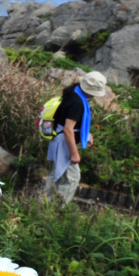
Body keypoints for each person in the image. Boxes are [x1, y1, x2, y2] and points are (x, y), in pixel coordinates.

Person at [43, 71, 108, 204]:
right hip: (64, 144)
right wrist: (74, 153)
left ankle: (43, 206)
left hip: (58, 140)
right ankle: (58, 210)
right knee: (72, 178)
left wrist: (86, 135)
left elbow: (70, 123)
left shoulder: (74, 92)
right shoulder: (77, 102)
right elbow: (68, 129)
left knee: (55, 175)